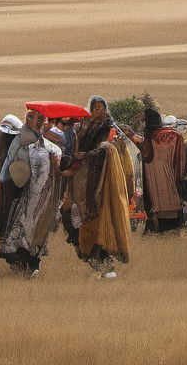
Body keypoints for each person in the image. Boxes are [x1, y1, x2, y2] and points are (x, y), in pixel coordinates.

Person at [61, 96, 132, 279]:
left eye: (101, 107)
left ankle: (104, 262)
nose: (98, 110)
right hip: (81, 174)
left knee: (99, 217)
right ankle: (91, 256)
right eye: (95, 107)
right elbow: (77, 143)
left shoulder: (109, 126)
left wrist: (86, 155)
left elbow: (104, 147)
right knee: (72, 212)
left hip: (101, 175)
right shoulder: (84, 125)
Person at [0, 108, 62, 277]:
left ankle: (30, 264)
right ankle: (29, 264)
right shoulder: (25, 139)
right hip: (23, 189)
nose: (40, 121)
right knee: (25, 227)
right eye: (35, 118)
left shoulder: (39, 139)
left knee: (32, 227)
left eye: (42, 118)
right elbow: (13, 164)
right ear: (28, 118)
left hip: (36, 191)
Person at [127, 98, 184, 233]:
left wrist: (130, 135)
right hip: (173, 194)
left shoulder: (149, 140)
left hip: (156, 198)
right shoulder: (176, 136)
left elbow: (144, 150)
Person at [0, 115, 22, 235]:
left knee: (0, 198)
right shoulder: (16, 143)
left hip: (5, 172)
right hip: (8, 174)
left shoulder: (0, 141)